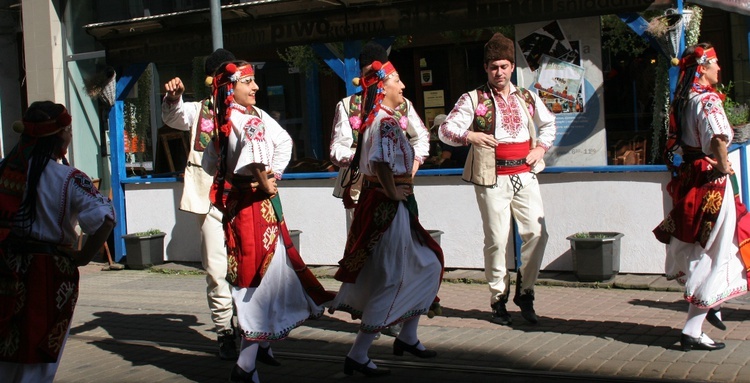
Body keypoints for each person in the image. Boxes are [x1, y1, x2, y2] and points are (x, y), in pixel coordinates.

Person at [202, 60, 335, 383]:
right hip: (252, 211)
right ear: (230, 88)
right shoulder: (245, 121)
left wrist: (270, 175)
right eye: (248, 82)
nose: (256, 87)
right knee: (257, 280)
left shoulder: (231, 119)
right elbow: (258, 155)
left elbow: (212, 166)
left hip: (244, 209)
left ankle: (249, 360)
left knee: (260, 278)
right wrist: (265, 180)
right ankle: (246, 365)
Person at [330, 58, 444, 377]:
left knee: (427, 263)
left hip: (391, 204)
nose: (403, 86)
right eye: (397, 80)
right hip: (387, 206)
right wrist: (393, 191)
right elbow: (380, 163)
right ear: (383, 86)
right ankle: (359, 353)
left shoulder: (382, 118)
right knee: (393, 276)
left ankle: (407, 336)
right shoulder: (385, 121)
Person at [439, 32, 556, 326]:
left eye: (504, 66)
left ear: (512, 67)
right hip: (492, 178)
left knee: (537, 234)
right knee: (497, 240)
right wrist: (470, 135)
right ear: (486, 68)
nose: (499, 72)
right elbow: (444, 130)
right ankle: (498, 299)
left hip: (525, 174)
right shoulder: (473, 98)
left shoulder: (527, 97)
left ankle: (525, 292)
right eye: (493, 67)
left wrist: (540, 148)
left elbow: (550, 124)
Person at [0, 101, 116, 382]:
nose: (71, 135)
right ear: (60, 136)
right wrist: (84, 256)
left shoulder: (5, 172)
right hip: (47, 273)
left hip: (5, 266)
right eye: (68, 130)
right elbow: (105, 218)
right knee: (37, 351)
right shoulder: (69, 178)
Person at [653, 43, 749, 351]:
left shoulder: (684, 99)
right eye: (716, 64)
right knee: (716, 250)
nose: (719, 69)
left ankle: (710, 310)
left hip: (693, 175)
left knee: (701, 246)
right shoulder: (707, 99)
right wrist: (723, 163)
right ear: (703, 68)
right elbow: (718, 137)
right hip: (712, 183)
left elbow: (678, 142)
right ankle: (694, 328)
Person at [161, 48, 244, 361]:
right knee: (216, 268)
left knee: (247, 265)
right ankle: (224, 330)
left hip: (242, 199)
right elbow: (174, 116)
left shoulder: (247, 111)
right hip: (210, 200)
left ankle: (248, 324)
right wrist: (173, 97)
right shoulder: (199, 110)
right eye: (225, 75)